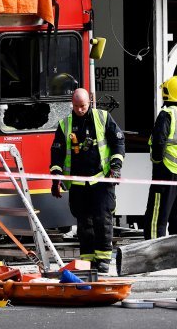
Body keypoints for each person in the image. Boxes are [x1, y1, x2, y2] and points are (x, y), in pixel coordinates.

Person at [50, 88, 125, 274]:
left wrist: (115, 167)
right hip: (78, 184)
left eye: (82, 106)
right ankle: (87, 262)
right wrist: (56, 180)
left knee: (103, 221)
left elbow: (118, 143)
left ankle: (104, 261)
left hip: (101, 180)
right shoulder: (65, 124)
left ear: (90, 102)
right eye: (76, 106)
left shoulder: (103, 118)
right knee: (83, 224)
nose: (80, 110)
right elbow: (57, 154)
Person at [143, 75, 177, 239]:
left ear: (167, 93)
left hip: (166, 172)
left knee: (156, 219)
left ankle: (152, 257)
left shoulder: (167, 114)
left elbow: (159, 142)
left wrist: (158, 162)